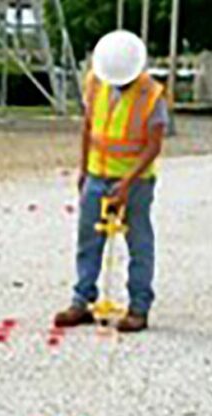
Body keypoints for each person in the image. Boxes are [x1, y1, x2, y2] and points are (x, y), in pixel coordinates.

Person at [53, 30, 168, 333]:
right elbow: (88, 128)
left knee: (139, 243)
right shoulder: (95, 82)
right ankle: (81, 301)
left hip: (136, 182)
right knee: (88, 239)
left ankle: (139, 308)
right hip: (97, 175)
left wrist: (128, 183)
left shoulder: (151, 95)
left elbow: (154, 146)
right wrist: (83, 170)